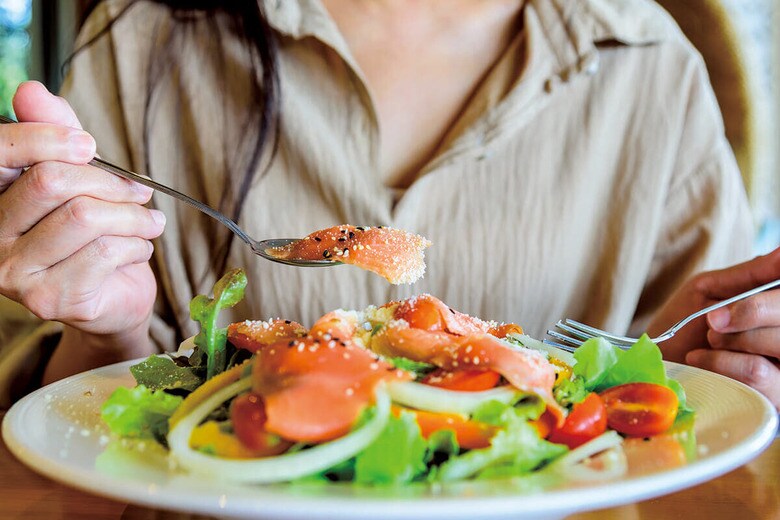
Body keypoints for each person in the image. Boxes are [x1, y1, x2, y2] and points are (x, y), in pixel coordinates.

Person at [0, 0, 777, 410]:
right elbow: (88, 431)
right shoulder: (144, 38)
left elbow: (698, 404)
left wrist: (712, 371)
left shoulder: (653, 65)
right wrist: (107, 332)